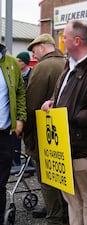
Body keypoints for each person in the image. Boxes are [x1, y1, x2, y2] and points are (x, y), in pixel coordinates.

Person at [41, 20, 87, 225]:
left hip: (84, 151)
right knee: (72, 202)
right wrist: (53, 103)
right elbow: (67, 99)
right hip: (66, 149)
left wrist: (70, 115)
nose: (62, 41)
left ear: (77, 40)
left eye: (64, 37)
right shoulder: (69, 66)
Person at [23, 33, 68, 224]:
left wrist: (27, 134)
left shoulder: (43, 67)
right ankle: (65, 213)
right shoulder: (67, 63)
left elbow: (32, 104)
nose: (34, 55)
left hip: (45, 133)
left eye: (34, 50)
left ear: (42, 47)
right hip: (66, 132)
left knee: (48, 178)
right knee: (64, 178)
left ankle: (54, 217)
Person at [0, 42, 26, 225]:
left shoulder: (10, 63)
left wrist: (20, 119)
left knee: (1, 183)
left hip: (5, 133)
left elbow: (19, 92)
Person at [11, 51, 32, 167]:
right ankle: (16, 163)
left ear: (25, 63)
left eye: (19, 61)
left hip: (29, 110)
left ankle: (30, 164)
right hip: (19, 112)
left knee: (29, 139)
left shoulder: (32, 74)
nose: (17, 62)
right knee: (16, 138)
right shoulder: (14, 75)